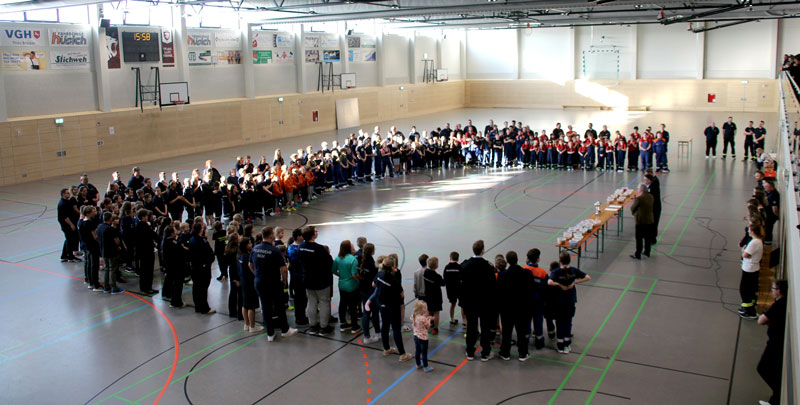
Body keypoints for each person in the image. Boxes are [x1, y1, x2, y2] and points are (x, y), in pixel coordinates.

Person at [251, 227, 298, 341]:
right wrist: (284, 281)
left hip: (259, 281)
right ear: (271, 235)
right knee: (279, 306)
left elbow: (250, 264)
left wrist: (257, 274)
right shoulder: (274, 250)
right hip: (273, 282)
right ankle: (285, 330)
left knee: (265, 307)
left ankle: (270, 333)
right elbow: (283, 269)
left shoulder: (255, 248)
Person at [460, 240, 498, 362]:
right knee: (485, 327)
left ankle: (470, 351)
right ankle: (485, 353)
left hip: (470, 302)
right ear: (483, 250)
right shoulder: (488, 267)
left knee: (471, 326)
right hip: (484, 303)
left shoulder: (465, 265)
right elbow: (492, 287)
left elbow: (462, 286)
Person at [547, 252, 590, 354]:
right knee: (568, 322)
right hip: (570, 300)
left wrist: (559, 284)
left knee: (559, 322)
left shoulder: (557, 272)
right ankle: (567, 344)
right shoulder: (574, 271)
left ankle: (560, 345)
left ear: (560, 260)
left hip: (559, 301)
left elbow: (549, 282)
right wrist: (574, 282)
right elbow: (588, 277)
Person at [497, 251, 534, 362]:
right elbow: (531, 289)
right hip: (522, 308)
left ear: (507, 261)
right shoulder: (526, 273)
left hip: (507, 309)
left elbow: (499, 292)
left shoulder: (503, 275)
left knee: (507, 332)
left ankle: (505, 353)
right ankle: (523, 353)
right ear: (517, 259)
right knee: (521, 332)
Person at [299, 226, 334, 335]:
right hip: (321, 280)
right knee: (324, 302)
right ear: (313, 234)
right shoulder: (320, 249)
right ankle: (324, 326)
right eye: (315, 231)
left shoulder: (301, 247)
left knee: (312, 302)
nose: (317, 232)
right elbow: (329, 263)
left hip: (307, 279)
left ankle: (313, 325)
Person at [757, 279, 788, 405]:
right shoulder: (783, 303)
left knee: (763, 368)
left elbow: (761, 320)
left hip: (775, 343)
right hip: (778, 341)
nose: (772, 291)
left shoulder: (778, 305)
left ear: (779, 291)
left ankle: (778, 393)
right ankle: (775, 399)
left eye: (773, 289)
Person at [521, 248, 548, 349]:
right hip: (538, 302)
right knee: (538, 322)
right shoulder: (542, 273)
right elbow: (546, 289)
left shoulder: (523, 269)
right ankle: (539, 341)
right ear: (538, 259)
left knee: (526, 322)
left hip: (526, 301)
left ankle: (525, 340)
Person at [332, 240, 360, 333]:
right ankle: (354, 326)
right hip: (352, 285)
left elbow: (333, 270)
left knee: (343, 303)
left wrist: (341, 276)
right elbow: (354, 274)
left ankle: (343, 324)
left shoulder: (337, 258)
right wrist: (359, 279)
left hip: (342, 284)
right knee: (353, 305)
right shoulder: (353, 259)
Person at [188, 222, 216, 314]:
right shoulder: (202, 240)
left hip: (195, 267)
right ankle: (204, 308)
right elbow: (209, 253)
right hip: (203, 267)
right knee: (203, 288)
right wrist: (208, 262)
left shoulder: (192, 239)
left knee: (196, 288)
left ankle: (198, 306)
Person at [738, 225, 764, 319]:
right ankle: (749, 307)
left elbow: (745, 254)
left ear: (753, 232)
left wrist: (743, 250)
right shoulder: (758, 241)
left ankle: (750, 311)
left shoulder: (754, 242)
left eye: (749, 230)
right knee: (750, 289)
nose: (748, 232)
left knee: (745, 290)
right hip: (752, 268)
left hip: (750, 268)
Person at [357, 243, 381, 344]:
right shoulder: (372, 264)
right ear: (372, 251)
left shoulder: (359, 261)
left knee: (366, 312)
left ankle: (366, 336)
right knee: (375, 312)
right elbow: (375, 281)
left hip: (362, 290)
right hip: (371, 292)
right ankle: (377, 333)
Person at [238, 237, 263, 332]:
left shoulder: (240, 256)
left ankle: (246, 323)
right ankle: (252, 326)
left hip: (243, 282)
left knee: (245, 304)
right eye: (249, 243)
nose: (251, 244)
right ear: (246, 245)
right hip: (250, 283)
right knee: (251, 306)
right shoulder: (247, 257)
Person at [97, 211, 124, 294]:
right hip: (111, 252)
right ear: (110, 219)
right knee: (112, 269)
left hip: (103, 251)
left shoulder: (100, 227)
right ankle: (114, 287)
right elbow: (117, 241)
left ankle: (106, 287)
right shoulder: (110, 229)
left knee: (107, 269)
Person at [287, 228, 309, 325]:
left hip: (298, 276)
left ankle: (301, 315)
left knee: (302, 297)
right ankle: (300, 317)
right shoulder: (295, 249)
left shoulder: (293, 247)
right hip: (298, 277)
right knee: (300, 298)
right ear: (299, 237)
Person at [134, 209, 159, 295]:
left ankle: (145, 287)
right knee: (147, 270)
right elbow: (153, 235)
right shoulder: (144, 226)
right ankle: (147, 287)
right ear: (143, 217)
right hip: (147, 251)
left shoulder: (138, 225)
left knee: (144, 270)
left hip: (142, 251)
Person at [161, 227, 187, 308]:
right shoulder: (173, 242)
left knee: (172, 283)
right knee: (178, 284)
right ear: (172, 233)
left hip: (170, 266)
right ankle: (177, 302)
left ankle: (172, 298)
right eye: (175, 231)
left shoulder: (165, 241)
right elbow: (181, 252)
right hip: (176, 266)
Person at [78, 206, 102, 291]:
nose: (94, 213)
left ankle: (89, 281)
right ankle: (95, 284)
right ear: (88, 213)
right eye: (92, 211)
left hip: (87, 245)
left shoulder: (81, 223)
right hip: (92, 246)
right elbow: (95, 236)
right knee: (94, 265)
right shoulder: (90, 223)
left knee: (89, 263)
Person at [630, 183, 655, 260]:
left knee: (639, 238)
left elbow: (632, 208)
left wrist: (634, 213)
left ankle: (638, 254)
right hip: (649, 220)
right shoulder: (651, 197)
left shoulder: (639, 198)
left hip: (640, 221)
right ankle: (647, 252)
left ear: (640, 190)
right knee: (647, 238)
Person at [422, 256, 445, 335]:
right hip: (436, 297)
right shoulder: (437, 277)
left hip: (428, 295)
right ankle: (435, 328)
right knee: (436, 313)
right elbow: (443, 283)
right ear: (436, 266)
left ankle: (426, 326)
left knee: (428, 310)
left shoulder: (425, 272)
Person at [58, 188, 81, 263]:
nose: (69, 194)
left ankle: (64, 256)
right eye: (67, 193)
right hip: (66, 225)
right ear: (63, 194)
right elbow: (65, 217)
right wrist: (71, 225)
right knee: (70, 240)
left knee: (68, 239)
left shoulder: (67, 202)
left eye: (68, 193)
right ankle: (70, 257)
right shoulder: (62, 204)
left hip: (70, 223)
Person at [410, 300, 434, 372]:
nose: (426, 309)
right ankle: (426, 367)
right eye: (424, 308)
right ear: (420, 309)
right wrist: (429, 320)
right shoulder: (423, 318)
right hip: (423, 338)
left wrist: (426, 318)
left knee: (417, 351)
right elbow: (428, 326)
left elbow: (419, 321)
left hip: (416, 336)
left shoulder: (414, 316)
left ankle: (418, 364)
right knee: (424, 352)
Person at [443, 251, 462, 326]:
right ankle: (464, 320)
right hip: (459, 289)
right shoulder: (459, 267)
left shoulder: (447, 267)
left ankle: (452, 319)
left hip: (450, 290)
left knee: (453, 304)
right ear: (457, 259)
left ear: (450, 258)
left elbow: (444, 278)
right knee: (462, 306)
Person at [644, 171, 662, 244]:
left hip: (655, 208)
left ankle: (653, 239)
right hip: (652, 208)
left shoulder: (654, 184)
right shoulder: (651, 184)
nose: (645, 181)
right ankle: (650, 237)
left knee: (654, 224)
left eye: (646, 180)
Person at [762, 180, 780, 245]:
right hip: (769, 215)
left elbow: (775, 208)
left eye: (766, 187)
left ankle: (768, 242)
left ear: (771, 187)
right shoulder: (769, 193)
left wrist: (777, 215)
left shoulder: (773, 195)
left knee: (768, 228)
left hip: (771, 216)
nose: (765, 188)